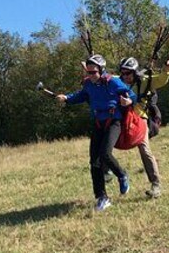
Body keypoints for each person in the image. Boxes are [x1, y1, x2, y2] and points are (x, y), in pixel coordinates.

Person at [56, 54, 135, 211]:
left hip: (114, 122)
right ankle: (102, 198)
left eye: (93, 72)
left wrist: (129, 100)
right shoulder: (89, 85)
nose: (90, 75)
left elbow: (130, 94)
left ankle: (122, 175)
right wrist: (66, 98)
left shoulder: (112, 82)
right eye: (89, 72)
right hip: (98, 123)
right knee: (94, 162)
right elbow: (80, 96)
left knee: (105, 153)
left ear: (101, 70)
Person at [116, 56, 169, 198]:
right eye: (122, 73)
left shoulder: (145, 80)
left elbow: (161, 79)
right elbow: (103, 78)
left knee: (144, 149)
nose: (125, 76)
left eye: (128, 73)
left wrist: (167, 68)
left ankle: (156, 185)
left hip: (140, 118)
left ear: (134, 72)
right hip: (123, 119)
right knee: (104, 143)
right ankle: (108, 172)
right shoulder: (118, 81)